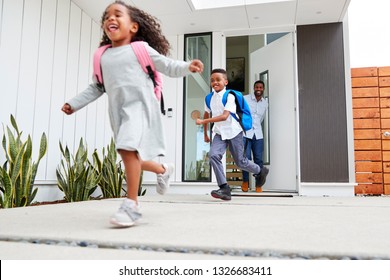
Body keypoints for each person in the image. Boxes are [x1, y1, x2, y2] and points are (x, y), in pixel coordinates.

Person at [61, 1, 203, 227]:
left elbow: (167, 65)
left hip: (142, 107)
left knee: (127, 149)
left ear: (133, 27)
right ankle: (163, 169)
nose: (110, 19)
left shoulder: (141, 49)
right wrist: (74, 103)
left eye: (118, 14)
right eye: (107, 16)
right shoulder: (102, 56)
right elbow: (98, 86)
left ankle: (132, 205)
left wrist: (188, 66)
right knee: (131, 156)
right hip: (119, 113)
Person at [196, 69, 268, 201]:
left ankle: (260, 170)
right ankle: (224, 188)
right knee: (213, 155)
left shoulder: (230, 96)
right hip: (219, 133)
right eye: (212, 80)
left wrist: (204, 121)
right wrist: (205, 133)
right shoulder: (208, 98)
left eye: (218, 79)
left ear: (225, 82)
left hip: (234, 132)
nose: (215, 82)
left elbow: (224, 116)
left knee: (240, 162)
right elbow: (206, 113)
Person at [241, 80, 269, 192]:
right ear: (254, 88)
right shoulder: (245, 98)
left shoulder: (265, 103)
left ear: (263, 89)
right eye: (257, 87)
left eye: (261, 87)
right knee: (245, 159)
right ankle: (245, 181)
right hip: (245, 133)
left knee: (259, 160)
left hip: (258, 135)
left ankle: (259, 184)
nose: (258, 89)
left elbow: (261, 119)